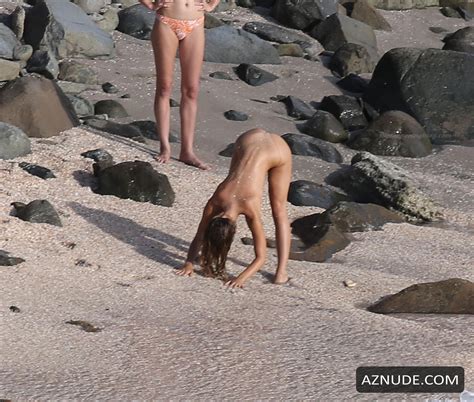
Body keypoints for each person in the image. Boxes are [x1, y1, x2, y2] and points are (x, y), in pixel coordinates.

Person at [177, 128, 293, 288]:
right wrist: (188, 262)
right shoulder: (217, 199)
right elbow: (200, 235)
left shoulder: (246, 207)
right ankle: (280, 274)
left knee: (279, 209)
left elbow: (261, 258)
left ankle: (281, 272)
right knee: (279, 211)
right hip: (252, 140)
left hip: (267, 147)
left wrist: (241, 278)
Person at [139, 0, 220, 170]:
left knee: (191, 90)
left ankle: (187, 151)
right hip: (167, 22)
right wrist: (150, 4)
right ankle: (165, 147)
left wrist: (212, 5)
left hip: (196, 23)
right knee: (164, 86)